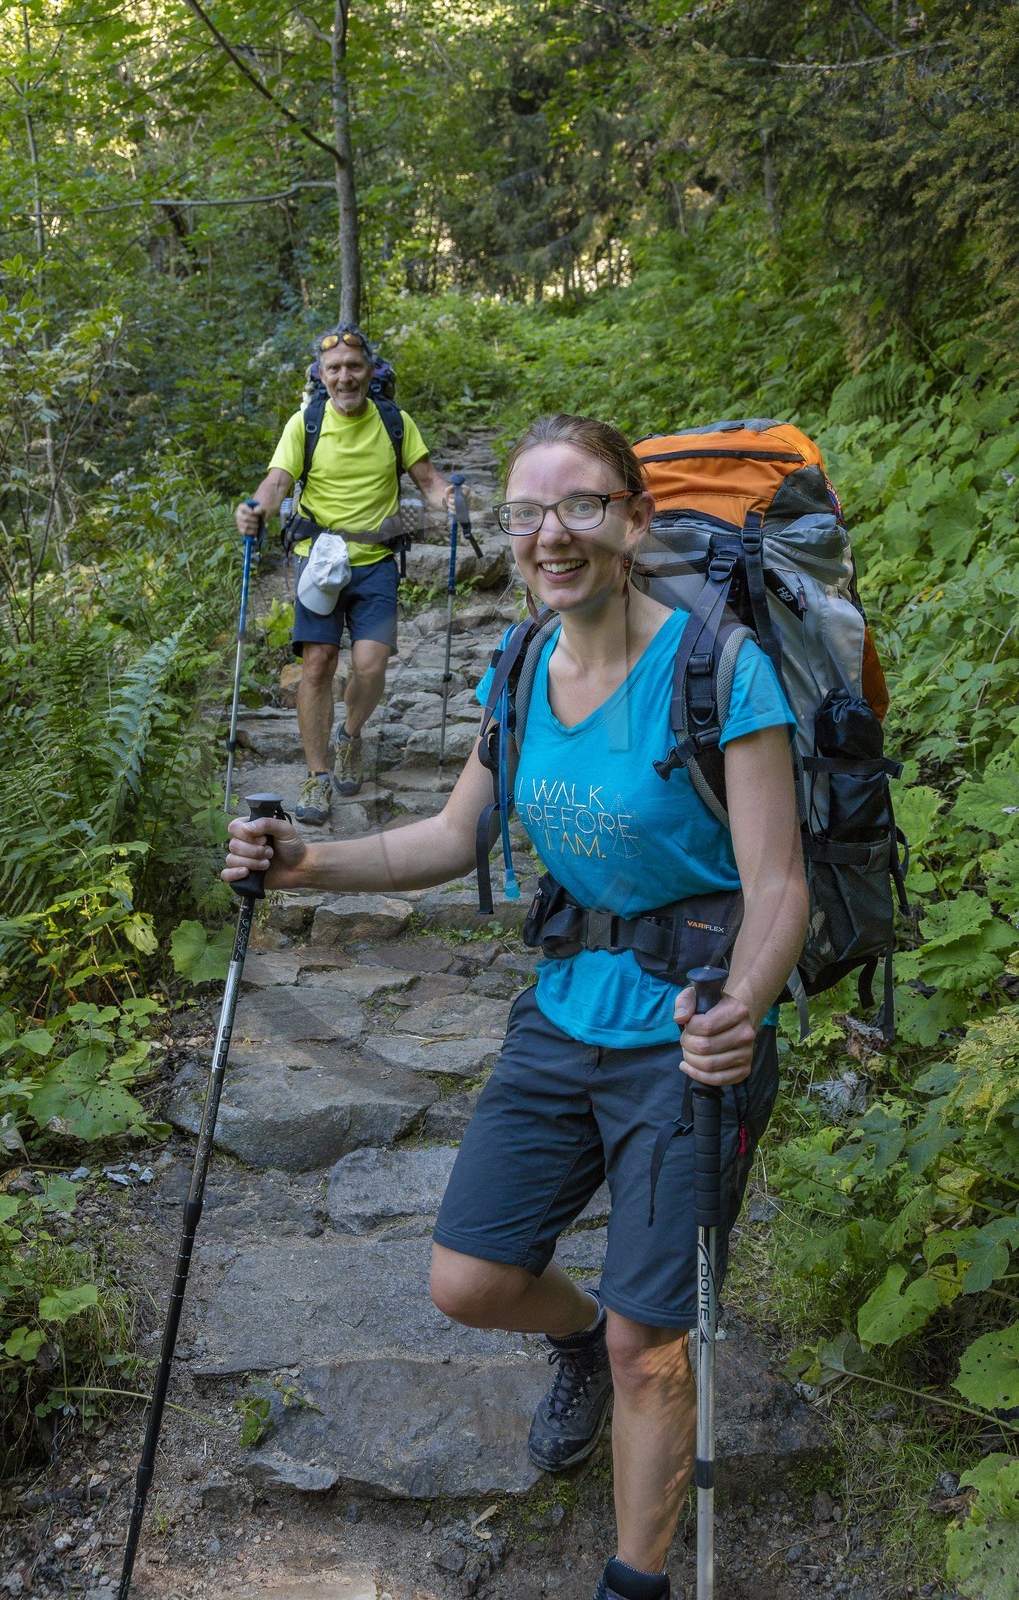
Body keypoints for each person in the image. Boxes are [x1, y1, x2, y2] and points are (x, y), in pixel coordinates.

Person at [224, 414, 808, 1600]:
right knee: (469, 1279)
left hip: (692, 1027)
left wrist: (742, 1003)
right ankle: (582, 1336)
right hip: (565, 1009)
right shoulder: (520, 665)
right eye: (528, 512)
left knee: (658, 1353)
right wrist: (307, 864)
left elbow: (780, 881)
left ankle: (629, 1579)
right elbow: (450, 836)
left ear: (634, 521)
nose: (552, 534)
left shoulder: (720, 669)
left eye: (583, 506)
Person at [235, 323, 457, 824]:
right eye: (334, 369)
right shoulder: (305, 423)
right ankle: (316, 779)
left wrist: (450, 498)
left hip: (376, 561)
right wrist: (255, 509)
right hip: (318, 560)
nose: (345, 377)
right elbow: (276, 482)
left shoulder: (395, 422)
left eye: (354, 367)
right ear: (320, 375)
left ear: (371, 370)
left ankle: (350, 737)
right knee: (317, 664)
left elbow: (428, 479)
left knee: (372, 666)